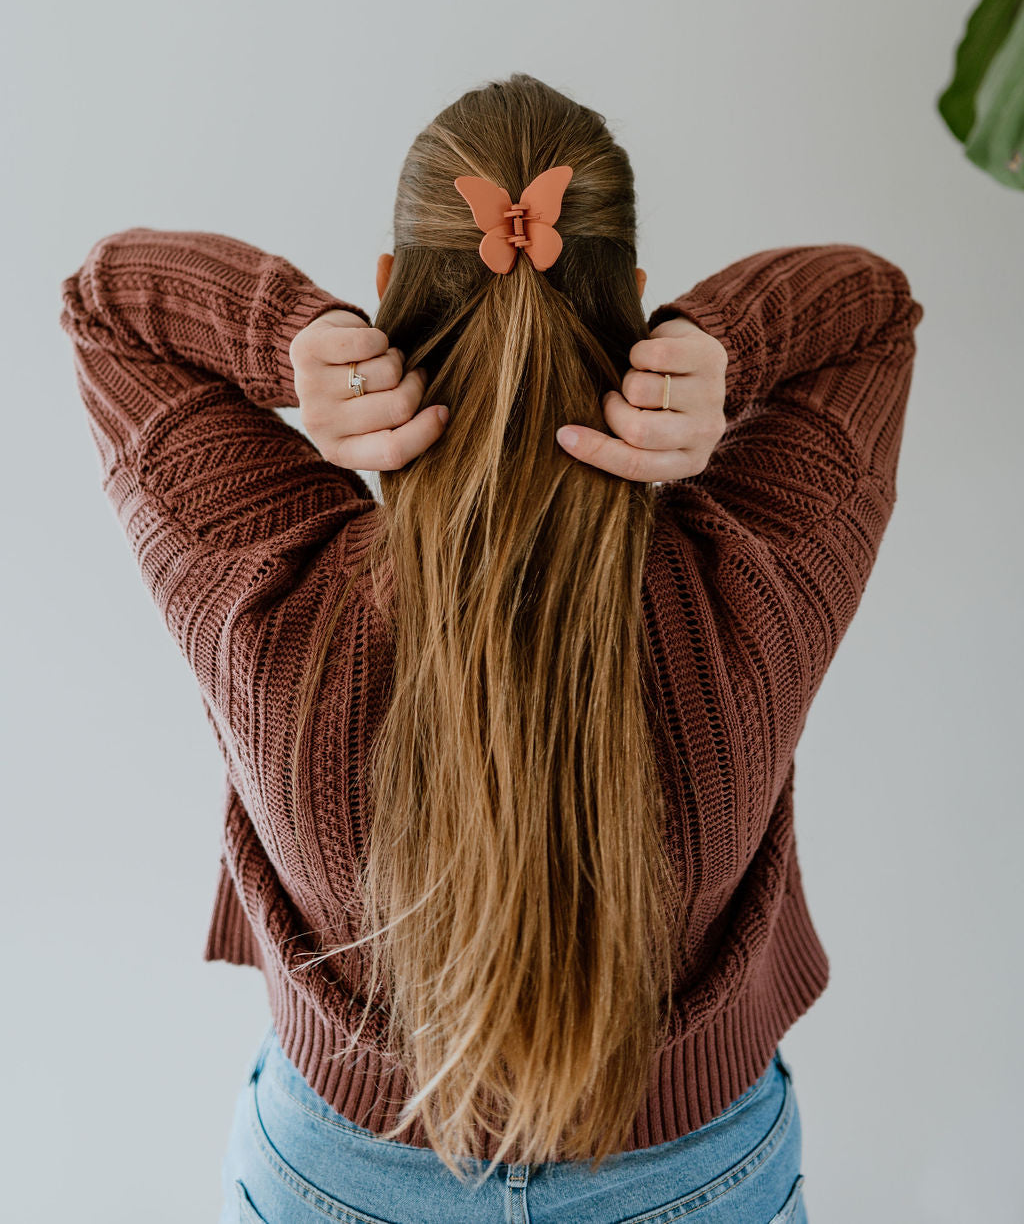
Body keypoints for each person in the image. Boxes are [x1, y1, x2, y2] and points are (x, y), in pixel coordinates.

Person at [59, 72, 923, 1224]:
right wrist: (715, 345)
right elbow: (869, 307)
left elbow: (110, 301)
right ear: (634, 302)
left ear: (385, 291)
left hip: (340, 1179)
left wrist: (292, 339)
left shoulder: (266, 578)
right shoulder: (750, 582)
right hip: (691, 1177)